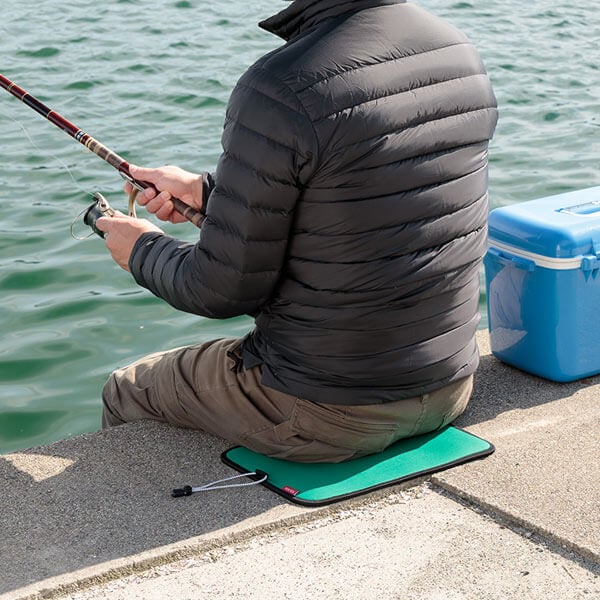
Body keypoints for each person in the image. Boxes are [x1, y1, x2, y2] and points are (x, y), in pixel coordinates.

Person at [97, 0, 498, 463]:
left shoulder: (281, 85)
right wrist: (214, 194)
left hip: (329, 409)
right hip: (449, 383)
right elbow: (366, 204)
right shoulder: (458, 52)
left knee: (128, 387)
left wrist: (140, 249)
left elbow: (218, 291)